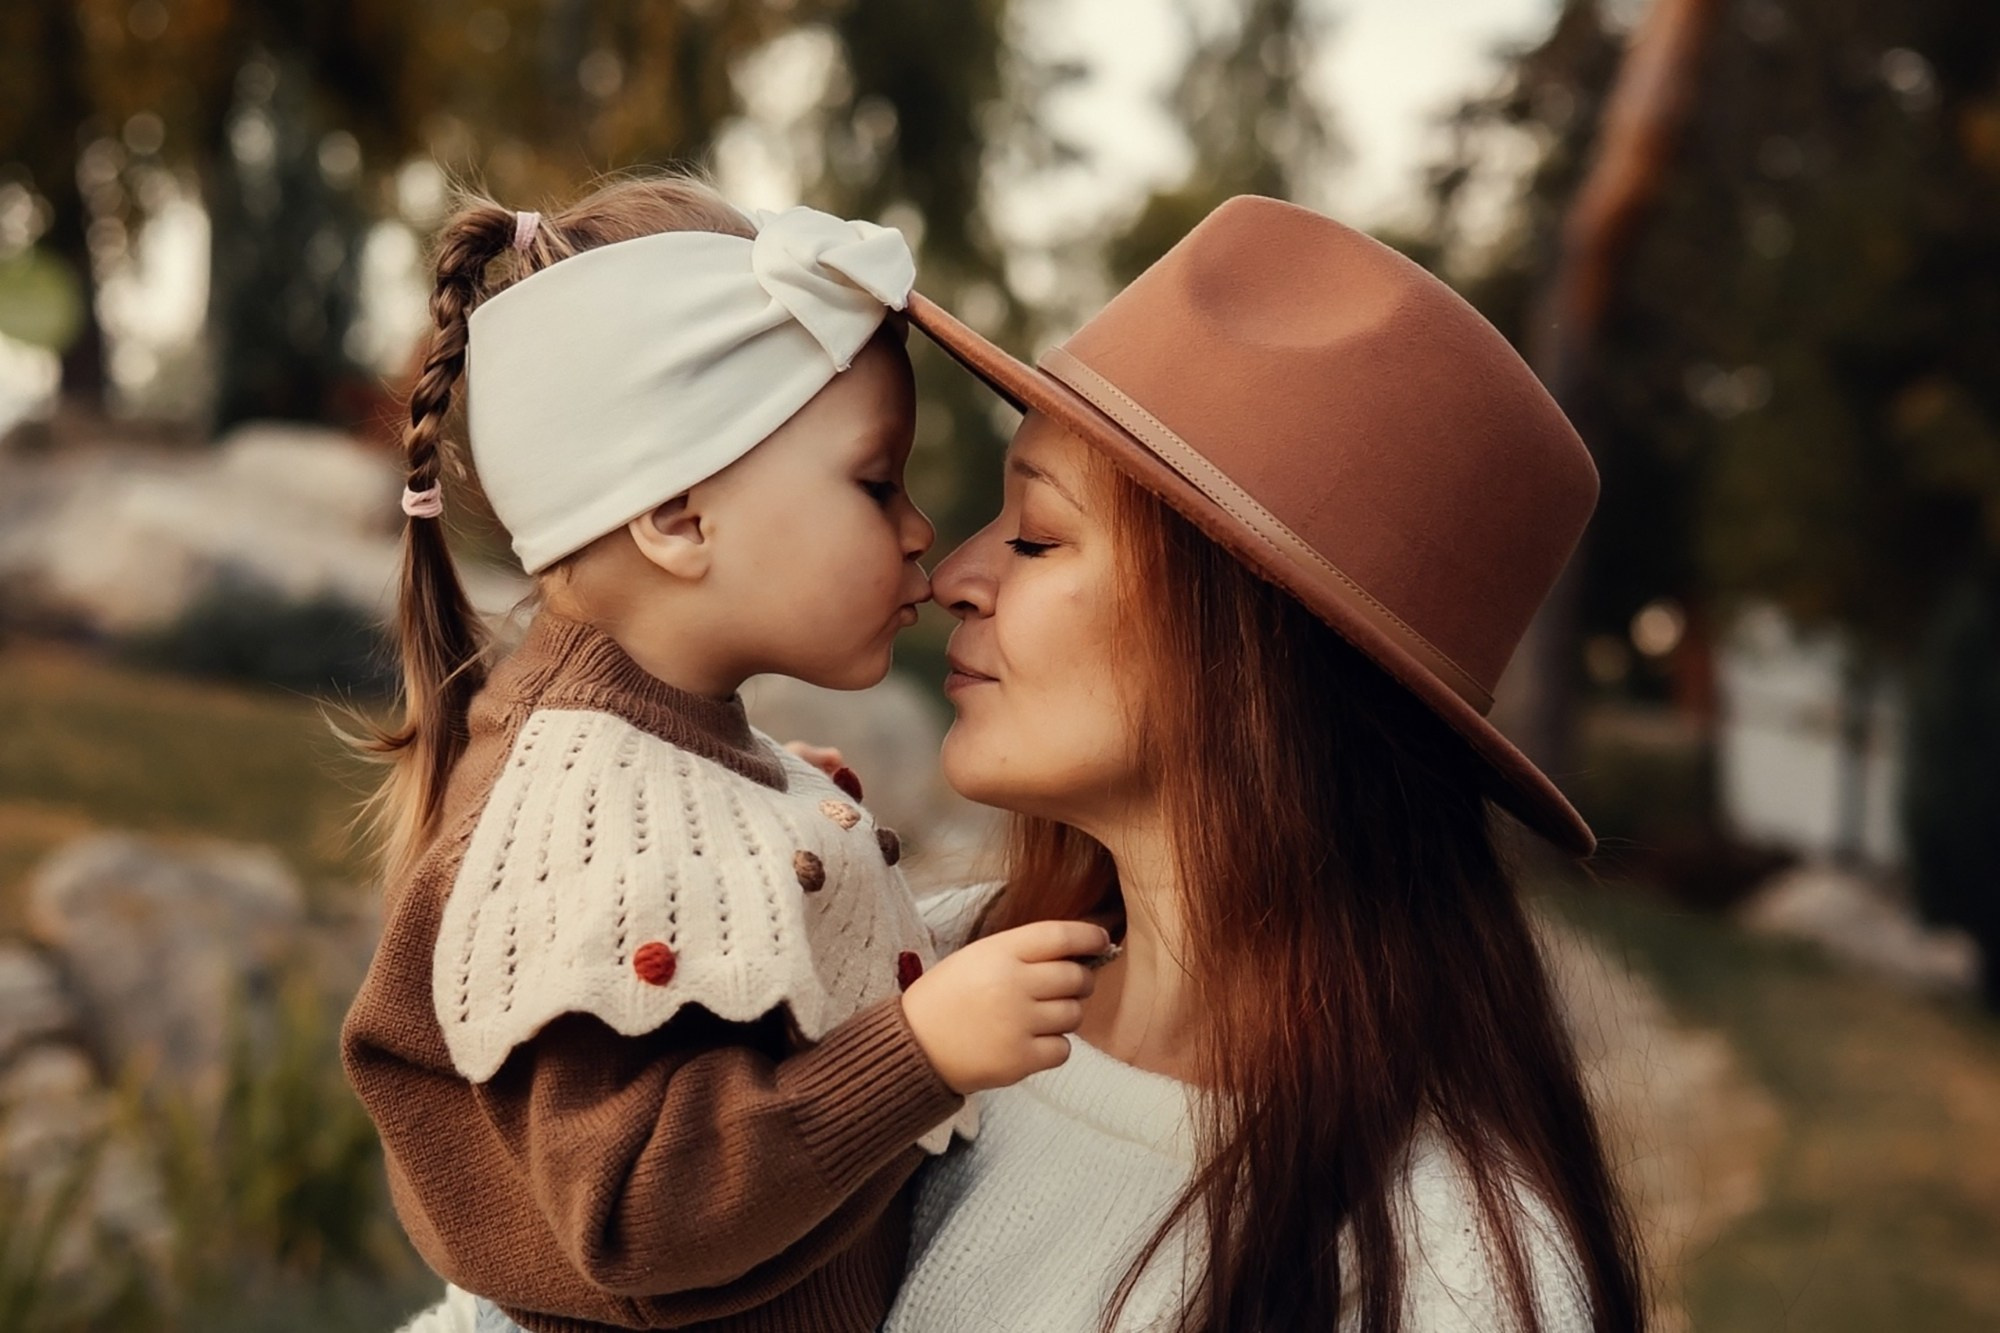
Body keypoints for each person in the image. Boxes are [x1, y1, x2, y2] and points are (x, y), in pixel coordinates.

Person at [337, 171, 1108, 1333]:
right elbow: (636, 1219)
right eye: (874, 482)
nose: (922, 536)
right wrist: (918, 1052)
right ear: (677, 517)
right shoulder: (587, 812)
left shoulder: (668, 755)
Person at [876, 196, 1650, 1331]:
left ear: (1245, 651)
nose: (954, 576)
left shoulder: (1446, 1271)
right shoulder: (916, 986)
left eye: (1036, 535)